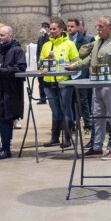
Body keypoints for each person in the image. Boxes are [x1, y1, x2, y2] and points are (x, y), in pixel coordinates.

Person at [67, 16, 111, 160]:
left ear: (110, 28)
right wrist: (75, 66)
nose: (98, 29)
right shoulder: (98, 42)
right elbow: (90, 60)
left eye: (101, 27)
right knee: (97, 117)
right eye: (97, 26)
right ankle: (97, 147)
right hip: (97, 85)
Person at [0, 25, 27, 160]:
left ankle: (6, 148)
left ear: (10, 36)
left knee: (6, 118)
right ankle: (3, 147)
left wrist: (1, 71)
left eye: (2, 35)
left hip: (9, 91)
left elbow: (20, 68)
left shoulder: (17, 50)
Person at [37, 19, 79, 148]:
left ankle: (67, 138)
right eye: (50, 29)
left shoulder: (69, 44)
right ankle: (54, 138)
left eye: (54, 29)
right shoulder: (46, 45)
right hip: (49, 83)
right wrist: (44, 63)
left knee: (66, 109)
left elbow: (77, 62)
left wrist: (70, 66)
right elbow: (40, 63)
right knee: (55, 111)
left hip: (64, 82)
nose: (51, 31)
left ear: (61, 29)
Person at [68, 18, 94, 134]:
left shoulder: (85, 40)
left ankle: (87, 125)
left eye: (72, 26)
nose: (69, 28)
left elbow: (86, 59)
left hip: (81, 73)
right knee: (71, 100)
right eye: (68, 26)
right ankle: (73, 123)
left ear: (78, 27)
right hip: (68, 74)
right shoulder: (65, 41)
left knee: (83, 100)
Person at [35, 22, 50, 104]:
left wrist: (46, 35)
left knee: (47, 81)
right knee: (40, 81)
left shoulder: (50, 37)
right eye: (43, 26)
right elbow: (38, 51)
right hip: (41, 63)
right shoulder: (40, 38)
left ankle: (49, 96)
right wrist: (38, 62)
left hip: (49, 62)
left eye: (45, 27)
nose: (43, 28)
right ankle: (42, 98)